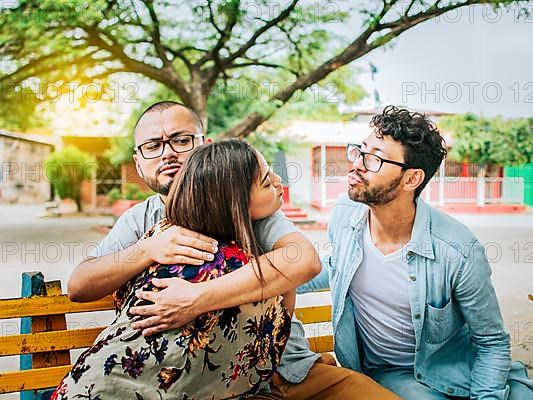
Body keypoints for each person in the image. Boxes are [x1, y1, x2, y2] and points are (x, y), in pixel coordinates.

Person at [68, 101, 401, 400]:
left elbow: (302, 260)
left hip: (288, 370)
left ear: (206, 148)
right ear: (139, 163)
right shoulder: (142, 220)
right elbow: (80, 286)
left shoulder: (253, 208)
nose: (168, 153)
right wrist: (147, 250)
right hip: (192, 384)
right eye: (153, 146)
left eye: (181, 140)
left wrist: (195, 299)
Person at [299, 106, 533, 400]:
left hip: (461, 367)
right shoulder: (345, 215)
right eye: (360, 151)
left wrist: (487, 396)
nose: (358, 164)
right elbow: (336, 267)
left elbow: (491, 342)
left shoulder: (457, 250)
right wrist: (261, 279)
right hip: (395, 374)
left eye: (375, 157)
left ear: (411, 179)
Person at [53, 139, 294, 399]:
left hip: (89, 385)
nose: (279, 181)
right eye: (267, 183)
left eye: (181, 141)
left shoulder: (164, 234)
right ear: (236, 202)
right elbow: (267, 350)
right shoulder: (252, 269)